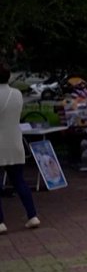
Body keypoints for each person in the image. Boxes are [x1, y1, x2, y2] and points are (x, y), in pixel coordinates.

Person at [0, 61, 40, 234]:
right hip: (15, 142)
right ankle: (32, 215)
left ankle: (0, 222)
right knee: (19, 181)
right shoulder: (16, 94)